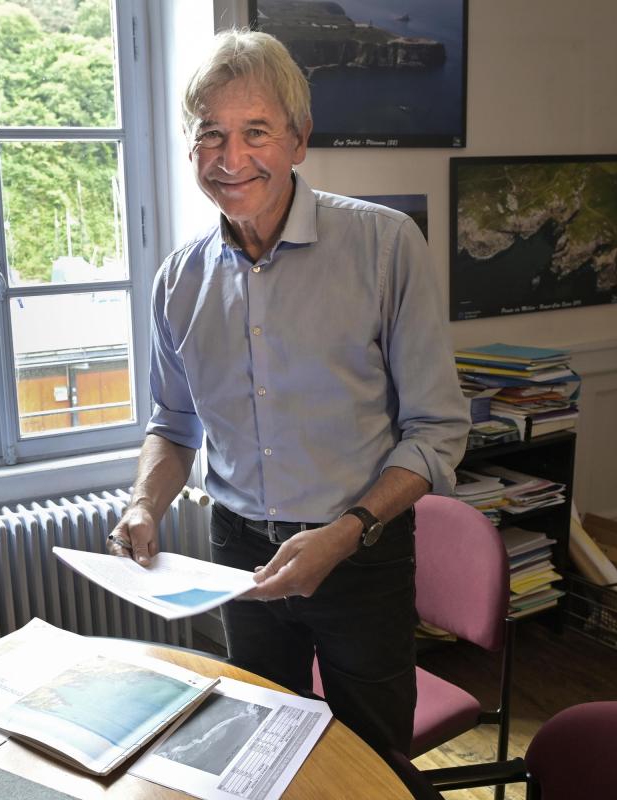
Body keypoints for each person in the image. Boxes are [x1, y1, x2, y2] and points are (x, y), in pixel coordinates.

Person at [107, 29, 469, 757]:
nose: (231, 158)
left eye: (256, 132)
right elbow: (173, 426)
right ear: (191, 149)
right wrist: (146, 499)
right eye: (211, 134)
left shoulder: (386, 245)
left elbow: (436, 431)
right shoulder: (178, 281)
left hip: (360, 551)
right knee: (260, 746)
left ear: (300, 141)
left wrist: (346, 532)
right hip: (237, 552)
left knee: (373, 764)